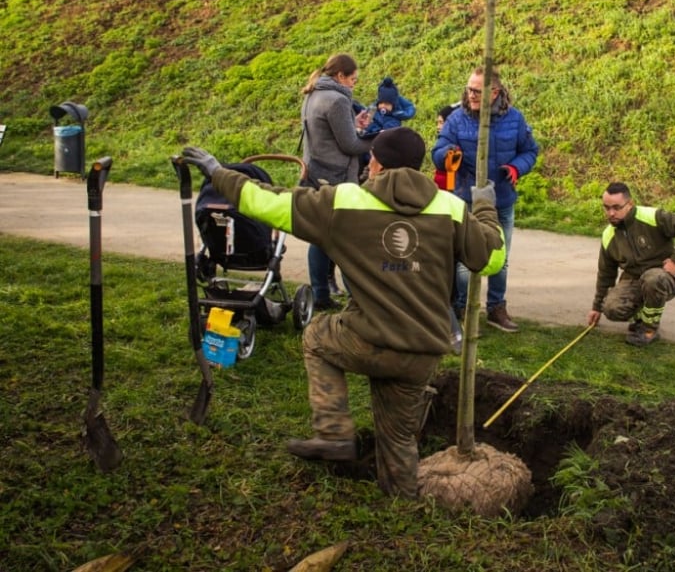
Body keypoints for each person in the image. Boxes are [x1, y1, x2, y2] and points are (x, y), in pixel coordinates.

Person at [182, 128, 506, 499]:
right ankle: (400, 505)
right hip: (422, 350)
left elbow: (266, 203)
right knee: (399, 437)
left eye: (371, 159)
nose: (368, 164)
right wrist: (484, 207)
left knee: (317, 338)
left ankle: (334, 433)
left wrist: (218, 172)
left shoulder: (345, 201)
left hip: (367, 339)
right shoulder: (450, 207)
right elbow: (492, 259)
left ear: (379, 164)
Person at [430, 67, 539, 332]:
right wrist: (447, 154)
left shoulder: (514, 119)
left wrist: (516, 168)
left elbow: (530, 151)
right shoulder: (456, 119)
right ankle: (463, 309)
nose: (471, 95)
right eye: (469, 89)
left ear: (495, 92)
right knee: (465, 263)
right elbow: (437, 151)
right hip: (465, 201)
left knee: (500, 258)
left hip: (501, 199)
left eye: (477, 91)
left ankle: (496, 308)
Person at [585, 182, 675, 346]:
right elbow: (606, 274)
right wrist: (597, 307)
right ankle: (641, 316)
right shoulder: (608, 236)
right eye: (606, 208)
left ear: (630, 204)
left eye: (617, 208)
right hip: (634, 280)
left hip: (663, 276)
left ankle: (649, 329)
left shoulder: (652, 217)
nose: (611, 213)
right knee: (611, 309)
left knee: (652, 279)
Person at [298, 53, 372, 310]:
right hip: (336, 178)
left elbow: (328, 133)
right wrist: (379, 139)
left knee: (320, 238)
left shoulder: (313, 93)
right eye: (353, 78)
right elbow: (350, 144)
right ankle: (357, 298)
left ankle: (320, 294)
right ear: (340, 76)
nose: (354, 83)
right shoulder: (338, 100)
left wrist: (354, 124)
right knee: (346, 239)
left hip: (315, 172)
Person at [432, 103, 459, 190]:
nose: (438, 127)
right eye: (437, 123)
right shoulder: (443, 141)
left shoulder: (454, 147)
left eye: (441, 122)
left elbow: (451, 174)